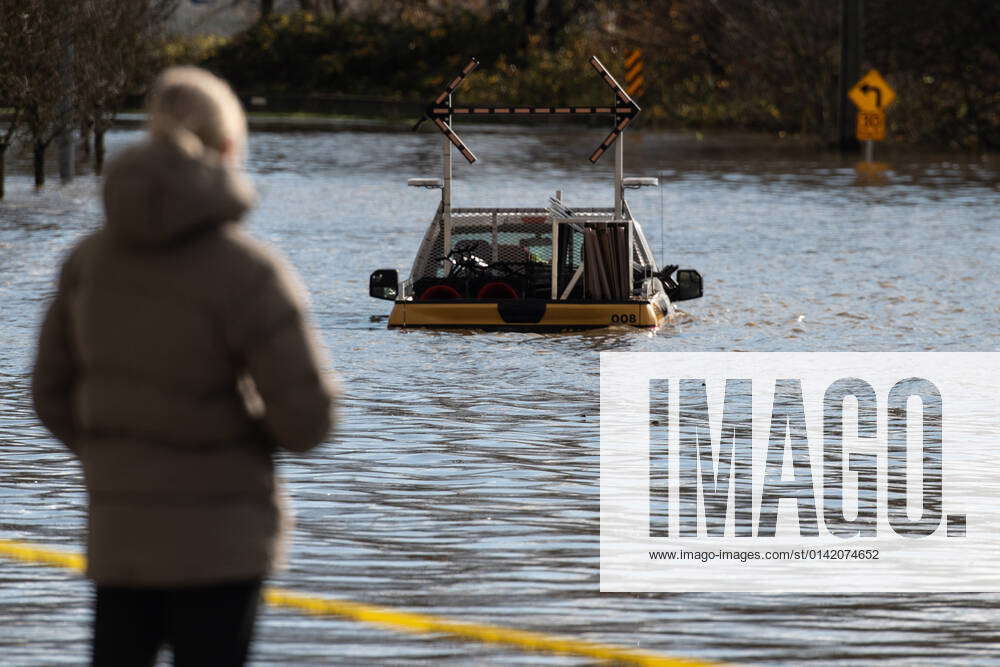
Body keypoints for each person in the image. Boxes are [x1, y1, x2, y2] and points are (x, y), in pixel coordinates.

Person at [32, 67, 337, 666]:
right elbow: (308, 421)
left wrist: (113, 448)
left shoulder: (87, 264)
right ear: (228, 148)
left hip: (120, 539)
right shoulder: (250, 272)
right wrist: (238, 435)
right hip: (224, 546)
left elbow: (47, 393)